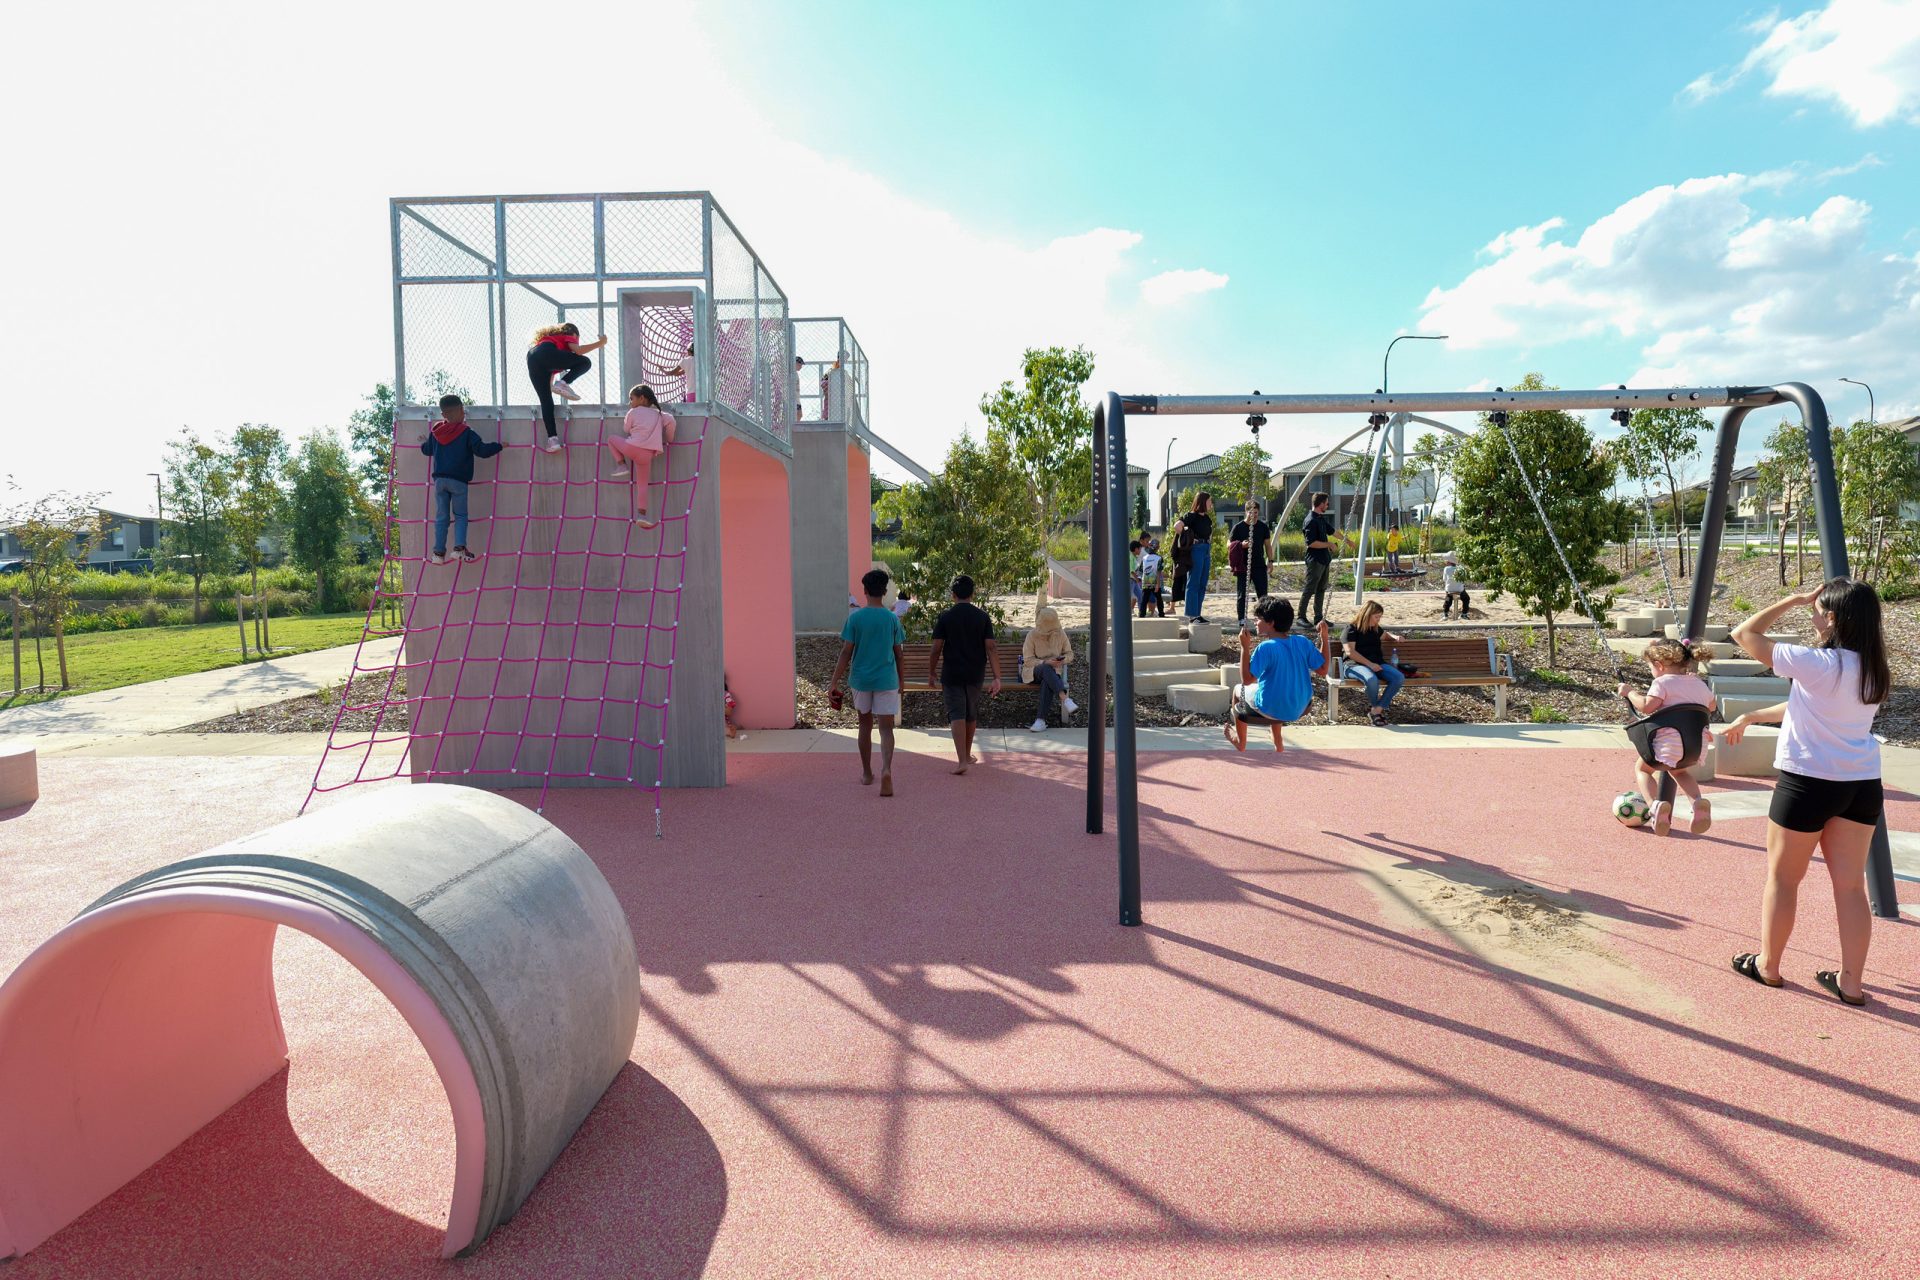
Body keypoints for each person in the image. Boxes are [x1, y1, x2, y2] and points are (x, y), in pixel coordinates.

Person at [1726, 580, 1891, 1006]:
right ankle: (1850, 983)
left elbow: (1744, 634)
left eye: (1817, 610)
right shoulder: (1873, 669)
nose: (1812, 616)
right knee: (1852, 888)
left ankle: (1769, 966)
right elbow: (1813, 703)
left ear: (1833, 618)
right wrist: (1755, 714)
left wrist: (1791, 599)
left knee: (1783, 879)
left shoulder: (1818, 662)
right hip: (1860, 785)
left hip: (1808, 783)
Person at [1618, 637, 1717, 835]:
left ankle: (1655, 807)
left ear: (1659, 665)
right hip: (1696, 745)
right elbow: (1711, 707)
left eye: (1651, 668)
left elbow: (1647, 706)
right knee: (1680, 771)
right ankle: (1698, 804)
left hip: (1670, 744)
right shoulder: (1699, 683)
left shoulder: (1661, 683)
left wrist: (1629, 693)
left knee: (1643, 769)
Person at [829, 568, 906, 797]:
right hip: (887, 679)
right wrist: (902, 681)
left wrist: (834, 681)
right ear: (884, 592)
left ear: (864, 591)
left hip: (861, 680)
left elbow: (845, 652)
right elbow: (899, 653)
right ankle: (886, 769)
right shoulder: (892, 619)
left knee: (864, 726)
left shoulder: (856, 618)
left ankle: (866, 772)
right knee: (886, 728)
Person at [1225, 596, 1326, 753]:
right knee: (1275, 686)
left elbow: (1246, 680)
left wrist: (1245, 648)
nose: (1256, 623)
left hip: (1270, 707)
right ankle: (1278, 742)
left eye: (1258, 619)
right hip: (1300, 707)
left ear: (1271, 623)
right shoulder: (1302, 641)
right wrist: (1324, 638)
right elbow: (1323, 670)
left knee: (1238, 690)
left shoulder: (1266, 648)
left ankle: (1241, 741)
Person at [419, 394, 504, 565]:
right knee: (461, 515)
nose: (464, 413)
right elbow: (482, 451)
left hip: (440, 482)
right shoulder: (466, 432)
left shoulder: (436, 431)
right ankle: (458, 548)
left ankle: (438, 553)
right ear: (460, 411)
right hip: (458, 482)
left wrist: (423, 443)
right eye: (462, 410)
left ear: (443, 415)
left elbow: (427, 450)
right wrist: (500, 446)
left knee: (442, 517)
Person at [928, 574, 1001, 775]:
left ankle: (961, 761)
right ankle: (967, 755)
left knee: (956, 714)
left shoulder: (946, 617)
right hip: (975, 672)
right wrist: (997, 676)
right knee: (970, 712)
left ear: (953, 595)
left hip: (952, 672)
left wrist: (932, 671)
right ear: (973, 594)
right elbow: (991, 647)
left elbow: (936, 648)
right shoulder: (982, 617)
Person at [527, 323, 608, 454]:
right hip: (546, 354)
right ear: (575, 334)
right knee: (585, 362)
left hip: (532, 359)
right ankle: (564, 382)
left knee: (546, 401)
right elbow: (579, 351)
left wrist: (553, 387)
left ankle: (552, 440)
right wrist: (601, 342)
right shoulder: (568, 334)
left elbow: (548, 376)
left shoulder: (548, 341)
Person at [608, 385, 676, 528]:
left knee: (611, 439)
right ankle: (641, 515)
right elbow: (671, 421)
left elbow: (626, 429)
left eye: (631, 399)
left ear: (642, 398)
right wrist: (669, 439)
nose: (630, 402)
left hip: (632, 448)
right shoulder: (660, 415)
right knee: (642, 485)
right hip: (647, 455)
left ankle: (621, 465)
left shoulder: (633, 412)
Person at [1342, 600, 1407, 727]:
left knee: (1398, 677)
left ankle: (1376, 710)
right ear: (1367, 614)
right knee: (1371, 679)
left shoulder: (1375, 629)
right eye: (1376, 617)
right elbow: (1350, 652)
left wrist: (1394, 637)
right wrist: (1370, 664)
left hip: (1377, 663)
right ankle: (1376, 710)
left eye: (1380, 617)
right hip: (1354, 665)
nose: (1378, 620)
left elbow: (1386, 636)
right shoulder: (1351, 629)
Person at [1022, 605, 1078, 732]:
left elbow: (1070, 654)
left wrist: (1062, 660)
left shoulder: (1060, 634)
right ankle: (1065, 698)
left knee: (1047, 680)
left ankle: (1040, 721)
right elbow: (1028, 660)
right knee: (1046, 668)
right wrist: (1045, 662)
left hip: (1053, 674)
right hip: (1033, 672)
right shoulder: (1032, 635)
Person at [1229, 501, 1275, 623]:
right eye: (1251, 512)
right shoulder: (1238, 527)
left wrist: (1270, 561)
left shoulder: (1263, 527)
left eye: (1256, 512)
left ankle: (1263, 618)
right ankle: (1241, 619)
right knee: (1242, 594)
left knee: (1263, 594)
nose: (1253, 515)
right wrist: (1240, 545)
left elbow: (1268, 546)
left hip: (1259, 564)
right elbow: (1229, 544)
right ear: (1246, 511)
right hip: (1243, 566)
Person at [1299, 493, 1336, 630]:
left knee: (1321, 589)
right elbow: (1311, 543)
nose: (1328, 505)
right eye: (1326, 503)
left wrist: (1347, 541)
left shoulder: (1320, 518)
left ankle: (1318, 618)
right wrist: (1329, 545)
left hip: (1324, 560)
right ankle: (1301, 617)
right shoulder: (1310, 520)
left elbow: (1332, 532)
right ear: (1320, 504)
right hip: (1315, 561)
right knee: (1310, 589)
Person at [1178, 491, 1215, 620]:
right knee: (1193, 582)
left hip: (1206, 549)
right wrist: (1188, 538)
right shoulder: (1191, 516)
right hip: (1196, 549)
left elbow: (1209, 533)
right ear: (1203, 501)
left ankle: (1197, 614)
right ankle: (1192, 615)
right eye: (1210, 500)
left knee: (1202, 583)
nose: (1211, 503)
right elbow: (1177, 526)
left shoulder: (1207, 518)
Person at [1139, 535, 1166, 618]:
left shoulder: (1144, 558)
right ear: (1157, 547)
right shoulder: (1159, 558)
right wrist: (1158, 584)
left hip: (1146, 582)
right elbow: (1158, 572)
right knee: (1159, 599)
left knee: (1144, 599)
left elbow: (1141, 570)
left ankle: (1141, 615)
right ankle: (1161, 614)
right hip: (1155, 582)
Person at [1441, 555, 1471, 619]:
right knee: (1466, 599)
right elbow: (1464, 580)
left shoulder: (1446, 569)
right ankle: (1464, 614)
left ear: (1449, 561)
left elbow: (1444, 579)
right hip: (1459, 590)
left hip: (1449, 589)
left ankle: (1445, 613)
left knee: (1447, 599)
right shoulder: (1461, 568)